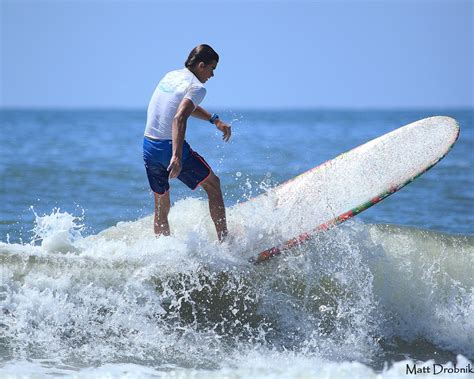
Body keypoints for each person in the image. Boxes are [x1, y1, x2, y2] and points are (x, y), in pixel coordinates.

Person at [143, 44, 232, 242]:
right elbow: (179, 117)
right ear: (201, 65)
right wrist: (176, 155)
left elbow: (182, 106)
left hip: (149, 146)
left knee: (161, 203)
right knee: (214, 185)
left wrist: (214, 120)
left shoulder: (171, 76)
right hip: (168, 148)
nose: (212, 75)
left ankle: (163, 251)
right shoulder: (197, 87)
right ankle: (226, 245)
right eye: (212, 68)